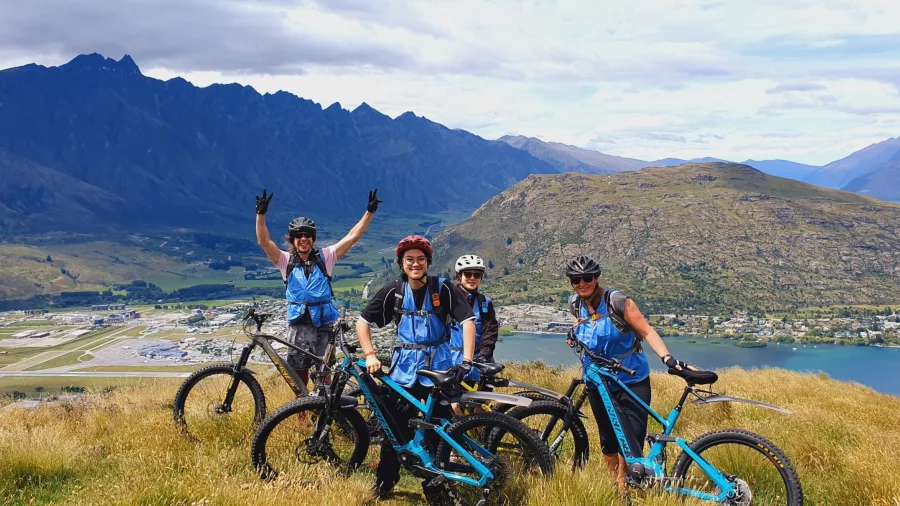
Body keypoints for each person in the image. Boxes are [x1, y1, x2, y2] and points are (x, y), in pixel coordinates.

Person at [356, 235, 477, 500]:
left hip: (438, 371)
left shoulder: (443, 288)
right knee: (393, 432)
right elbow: (362, 322)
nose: (415, 264)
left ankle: (441, 490)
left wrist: (466, 361)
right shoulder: (394, 290)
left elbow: (468, 321)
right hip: (404, 372)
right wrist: (370, 354)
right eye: (409, 259)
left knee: (441, 432)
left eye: (420, 259)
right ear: (401, 263)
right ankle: (385, 483)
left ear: (428, 262)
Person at [564, 254, 697, 493]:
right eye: (575, 279)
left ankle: (634, 483)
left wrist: (668, 359)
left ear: (597, 278)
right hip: (597, 381)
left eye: (587, 278)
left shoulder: (617, 302)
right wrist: (573, 335)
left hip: (631, 378)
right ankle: (619, 488)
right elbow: (583, 327)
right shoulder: (575, 303)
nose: (581, 283)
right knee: (608, 440)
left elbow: (647, 331)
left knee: (632, 441)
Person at [254, 188, 381, 389]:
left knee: (324, 375)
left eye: (307, 235)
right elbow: (264, 242)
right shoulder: (284, 260)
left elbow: (351, 237)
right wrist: (260, 214)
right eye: (298, 236)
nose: (303, 239)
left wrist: (369, 212)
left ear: (313, 238)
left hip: (324, 325)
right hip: (298, 326)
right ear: (293, 240)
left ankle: (323, 413)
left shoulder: (325, 257)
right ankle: (301, 417)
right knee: (299, 376)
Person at [448, 254, 499, 382]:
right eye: (468, 274)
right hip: (452, 361)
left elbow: (490, 332)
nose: (472, 278)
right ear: (459, 276)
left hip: (478, 362)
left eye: (477, 275)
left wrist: (484, 355)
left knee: (479, 400)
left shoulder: (484, 303)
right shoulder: (448, 300)